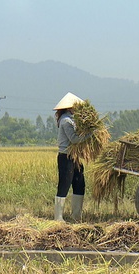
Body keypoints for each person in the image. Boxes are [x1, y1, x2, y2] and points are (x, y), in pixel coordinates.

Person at [53, 92, 90, 222]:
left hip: (75, 157)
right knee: (64, 184)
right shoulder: (66, 120)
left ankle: (76, 216)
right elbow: (74, 139)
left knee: (80, 183)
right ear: (69, 108)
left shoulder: (74, 120)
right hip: (66, 157)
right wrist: (90, 135)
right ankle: (58, 218)